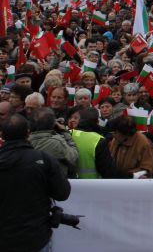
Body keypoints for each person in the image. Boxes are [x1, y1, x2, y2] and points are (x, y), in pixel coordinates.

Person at [0, 114, 72, 252]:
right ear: (28, 133)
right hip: (35, 236)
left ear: (2, 134)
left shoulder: (43, 160)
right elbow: (62, 193)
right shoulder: (43, 159)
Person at [71, 107, 134, 179]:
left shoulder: (69, 134)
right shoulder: (99, 140)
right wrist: (132, 176)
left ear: (79, 120)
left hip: (69, 185)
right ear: (98, 121)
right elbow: (109, 172)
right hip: (93, 186)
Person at [29, 107, 79, 178]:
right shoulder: (57, 142)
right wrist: (64, 132)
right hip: (54, 183)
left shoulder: (25, 141)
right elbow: (73, 157)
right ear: (53, 124)